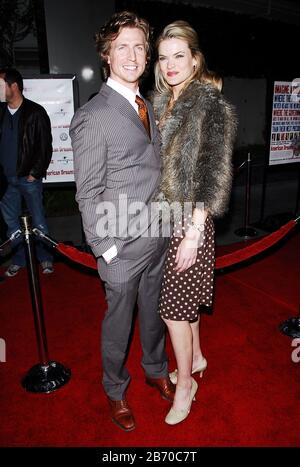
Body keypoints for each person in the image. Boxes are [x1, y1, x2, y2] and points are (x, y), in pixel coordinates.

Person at [70, 11, 174, 432]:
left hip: (157, 237)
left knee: (153, 313)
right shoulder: (94, 116)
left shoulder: (144, 103)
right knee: (118, 325)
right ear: (106, 56)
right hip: (120, 247)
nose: (131, 55)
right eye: (121, 47)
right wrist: (106, 248)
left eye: (139, 46)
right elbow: (87, 193)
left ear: (146, 55)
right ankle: (115, 390)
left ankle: (155, 367)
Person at [152, 21, 237, 425]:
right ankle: (197, 356)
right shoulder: (161, 101)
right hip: (166, 220)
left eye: (178, 56)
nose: (170, 65)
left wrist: (194, 231)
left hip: (190, 222)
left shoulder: (208, 103)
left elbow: (214, 170)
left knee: (172, 311)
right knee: (185, 306)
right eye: (164, 57)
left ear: (195, 59)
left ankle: (186, 384)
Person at [0, 68, 54, 276]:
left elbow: (45, 146)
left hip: (28, 178)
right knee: (11, 224)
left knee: (38, 221)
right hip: (4, 180)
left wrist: (35, 173)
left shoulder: (35, 112)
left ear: (13, 86)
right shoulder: (0, 112)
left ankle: (46, 259)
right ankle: (19, 259)